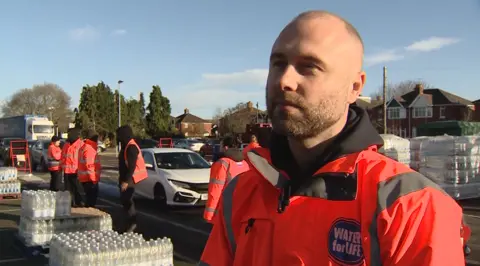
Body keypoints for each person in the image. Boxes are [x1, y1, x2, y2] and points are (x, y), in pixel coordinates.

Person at [199, 10, 465, 265]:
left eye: (309, 67)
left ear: (354, 87)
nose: (284, 80)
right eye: (278, 63)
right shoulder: (241, 193)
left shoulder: (413, 207)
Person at [203, 136, 249, 223]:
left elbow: (215, 190)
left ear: (226, 147)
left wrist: (209, 215)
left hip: (225, 211)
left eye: (221, 146)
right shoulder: (244, 163)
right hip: (241, 210)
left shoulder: (222, 163)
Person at [116, 125, 148, 233]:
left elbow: (132, 167)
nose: (118, 138)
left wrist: (126, 181)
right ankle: (128, 224)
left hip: (130, 180)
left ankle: (131, 224)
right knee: (125, 202)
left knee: (127, 201)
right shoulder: (127, 146)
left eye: (119, 135)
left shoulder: (131, 147)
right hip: (125, 178)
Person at [61, 128, 85, 207]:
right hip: (67, 171)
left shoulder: (81, 145)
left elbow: (83, 159)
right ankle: (70, 203)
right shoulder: (66, 144)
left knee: (77, 189)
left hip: (76, 171)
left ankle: (79, 202)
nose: (68, 136)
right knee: (68, 189)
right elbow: (63, 157)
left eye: (69, 134)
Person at [77, 129, 101, 207]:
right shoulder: (90, 148)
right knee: (91, 201)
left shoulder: (84, 147)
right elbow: (90, 166)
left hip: (84, 178)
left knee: (88, 199)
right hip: (90, 179)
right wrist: (94, 179)